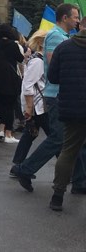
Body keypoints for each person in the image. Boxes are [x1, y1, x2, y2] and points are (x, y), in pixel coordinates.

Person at [12, 3, 85, 192]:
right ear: (64, 18)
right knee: (59, 139)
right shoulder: (55, 36)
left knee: (76, 140)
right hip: (57, 95)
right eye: (75, 17)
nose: (77, 20)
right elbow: (55, 66)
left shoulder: (64, 37)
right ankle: (25, 169)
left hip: (64, 94)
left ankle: (79, 181)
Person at [47, 26, 86, 211]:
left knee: (68, 151)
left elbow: (52, 77)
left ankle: (57, 196)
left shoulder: (63, 47)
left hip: (72, 107)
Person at [12, 30, 49, 170]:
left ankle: (17, 165)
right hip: (38, 106)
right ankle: (68, 170)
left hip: (38, 106)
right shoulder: (38, 62)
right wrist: (29, 108)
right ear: (41, 43)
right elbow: (27, 85)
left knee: (30, 135)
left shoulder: (39, 60)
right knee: (56, 139)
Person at [0, 23, 24, 143]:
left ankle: (1, 130)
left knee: (0, 105)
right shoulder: (13, 45)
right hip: (10, 79)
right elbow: (20, 58)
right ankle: (8, 134)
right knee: (10, 107)